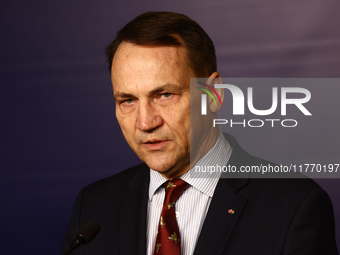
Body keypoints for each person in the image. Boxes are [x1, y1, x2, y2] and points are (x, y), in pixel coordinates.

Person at [62, 11, 338, 254]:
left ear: (214, 95)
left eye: (165, 94)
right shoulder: (94, 206)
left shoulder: (294, 207)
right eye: (128, 101)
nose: (145, 123)